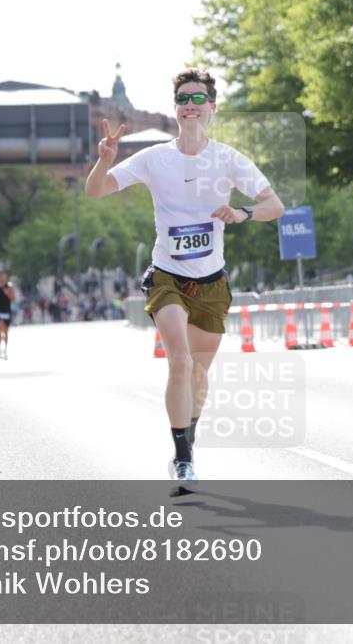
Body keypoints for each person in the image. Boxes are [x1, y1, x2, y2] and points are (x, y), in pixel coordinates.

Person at [85, 68, 284, 485]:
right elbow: (96, 191)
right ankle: (181, 457)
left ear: (211, 108)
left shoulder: (229, 159)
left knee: (198, 372)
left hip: (211, 281)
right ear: (175, 109)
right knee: (179, 359)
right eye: (182, 99)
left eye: (198, 99)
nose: (190, 106)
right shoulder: (155, 158)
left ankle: (189, 440)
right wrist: (104, 162)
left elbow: (275, 205)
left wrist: (243, 212)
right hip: (167, 276)